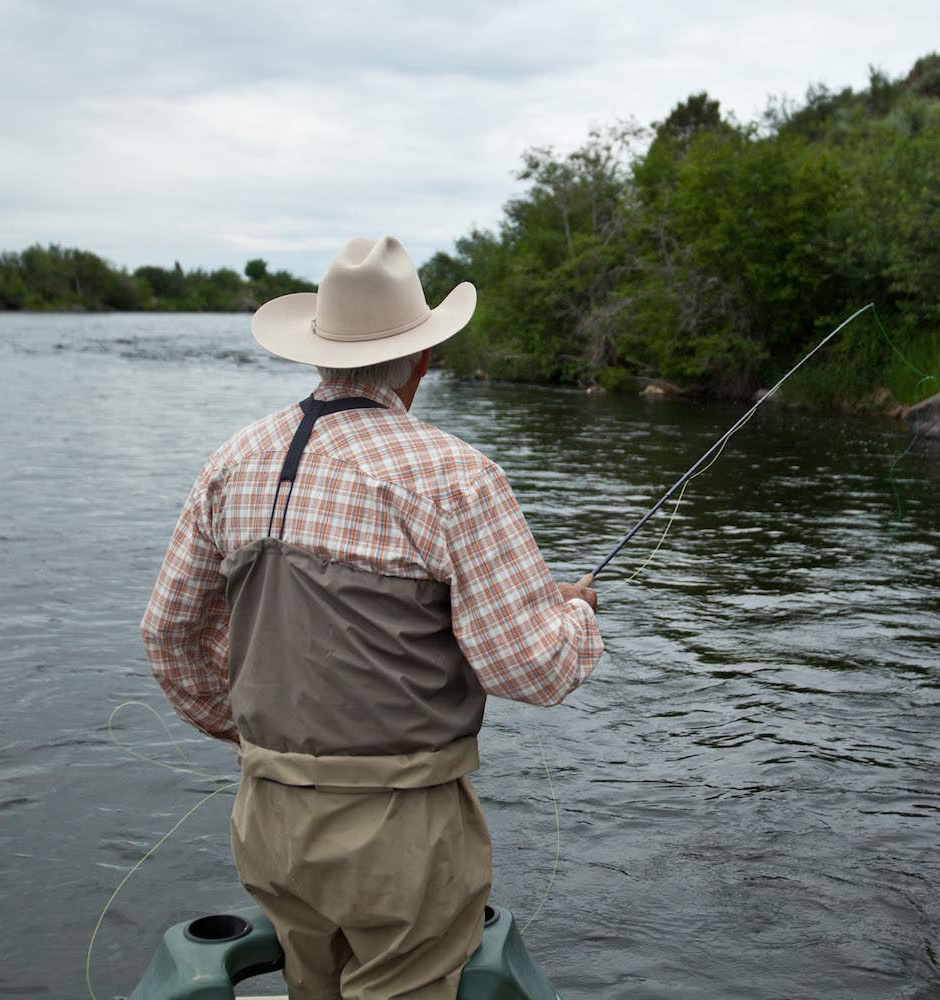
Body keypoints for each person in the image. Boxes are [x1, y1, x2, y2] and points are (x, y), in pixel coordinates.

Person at [141, 236, 602, 999]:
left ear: (318, 354)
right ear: (421, 362)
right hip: (402, 834)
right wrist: (577, 615)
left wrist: (254, 736)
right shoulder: (457, 477)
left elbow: (168, 635)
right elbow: (533, 667)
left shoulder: (232, 460)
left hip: (267, 814)